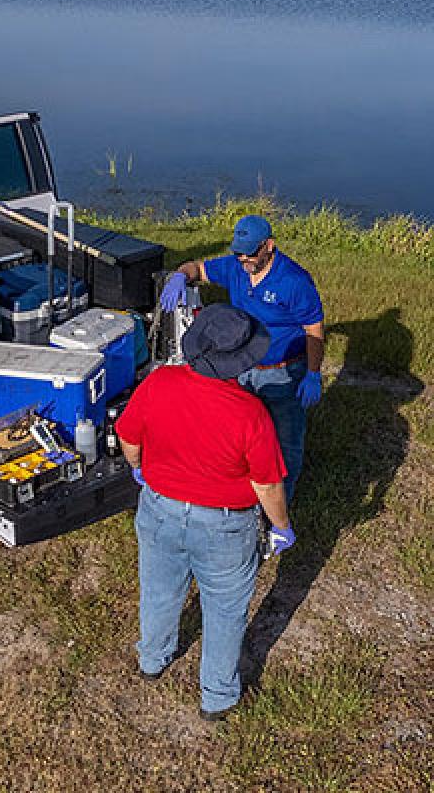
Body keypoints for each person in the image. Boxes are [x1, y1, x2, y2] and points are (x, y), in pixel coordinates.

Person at [116, 304, 294, 721]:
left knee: (159, 591)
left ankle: (153, 660)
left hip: (159, 508)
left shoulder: (159, 383)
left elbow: (127, 436)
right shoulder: (251, 412)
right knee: (225, 611)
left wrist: (139, 468)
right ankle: (216, 696)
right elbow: (266, 484)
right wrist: (281, 526)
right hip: (225, 526)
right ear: (245, 358)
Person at [159, 214, 324, 500]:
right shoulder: (235, 267)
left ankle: (280, 504)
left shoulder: (294, 281)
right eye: (238, 253)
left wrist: (312, 373)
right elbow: (196, 268)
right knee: (240, 435)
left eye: (250, 253)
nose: (244, 260)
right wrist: (179, 276)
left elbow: (314, 329)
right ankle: (246, 494)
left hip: (283, 372)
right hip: (241, 367)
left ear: (269, 246)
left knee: (286, 443)